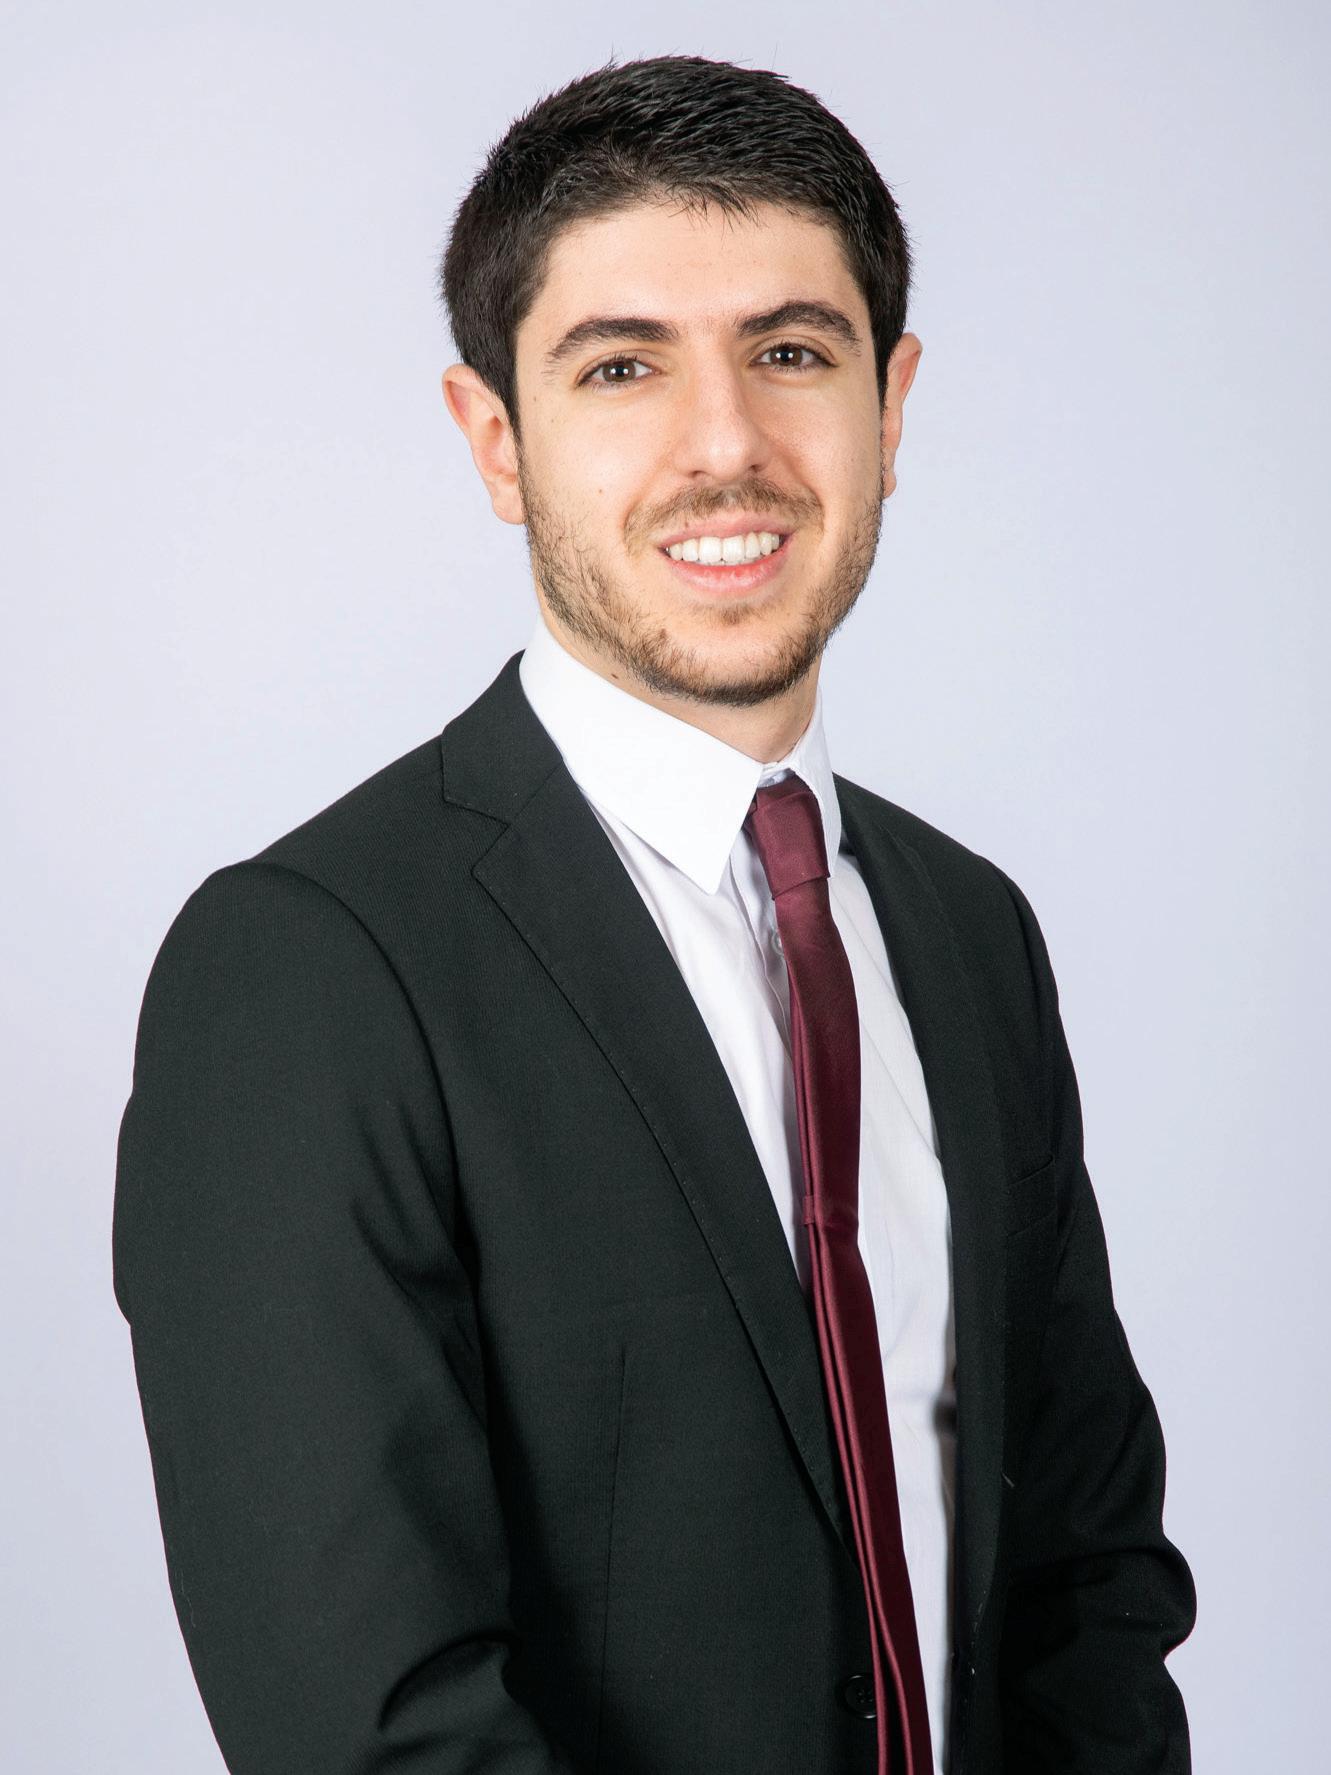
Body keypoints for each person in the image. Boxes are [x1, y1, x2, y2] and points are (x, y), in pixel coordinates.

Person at [112, 52, 1196, 1775]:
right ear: (497, 439)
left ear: (893, 404)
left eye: (792, 352)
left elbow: (1087, 1590)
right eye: (621, 366)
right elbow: (372, 1733)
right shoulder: (307, 972)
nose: (727, 446)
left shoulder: (969, 932)